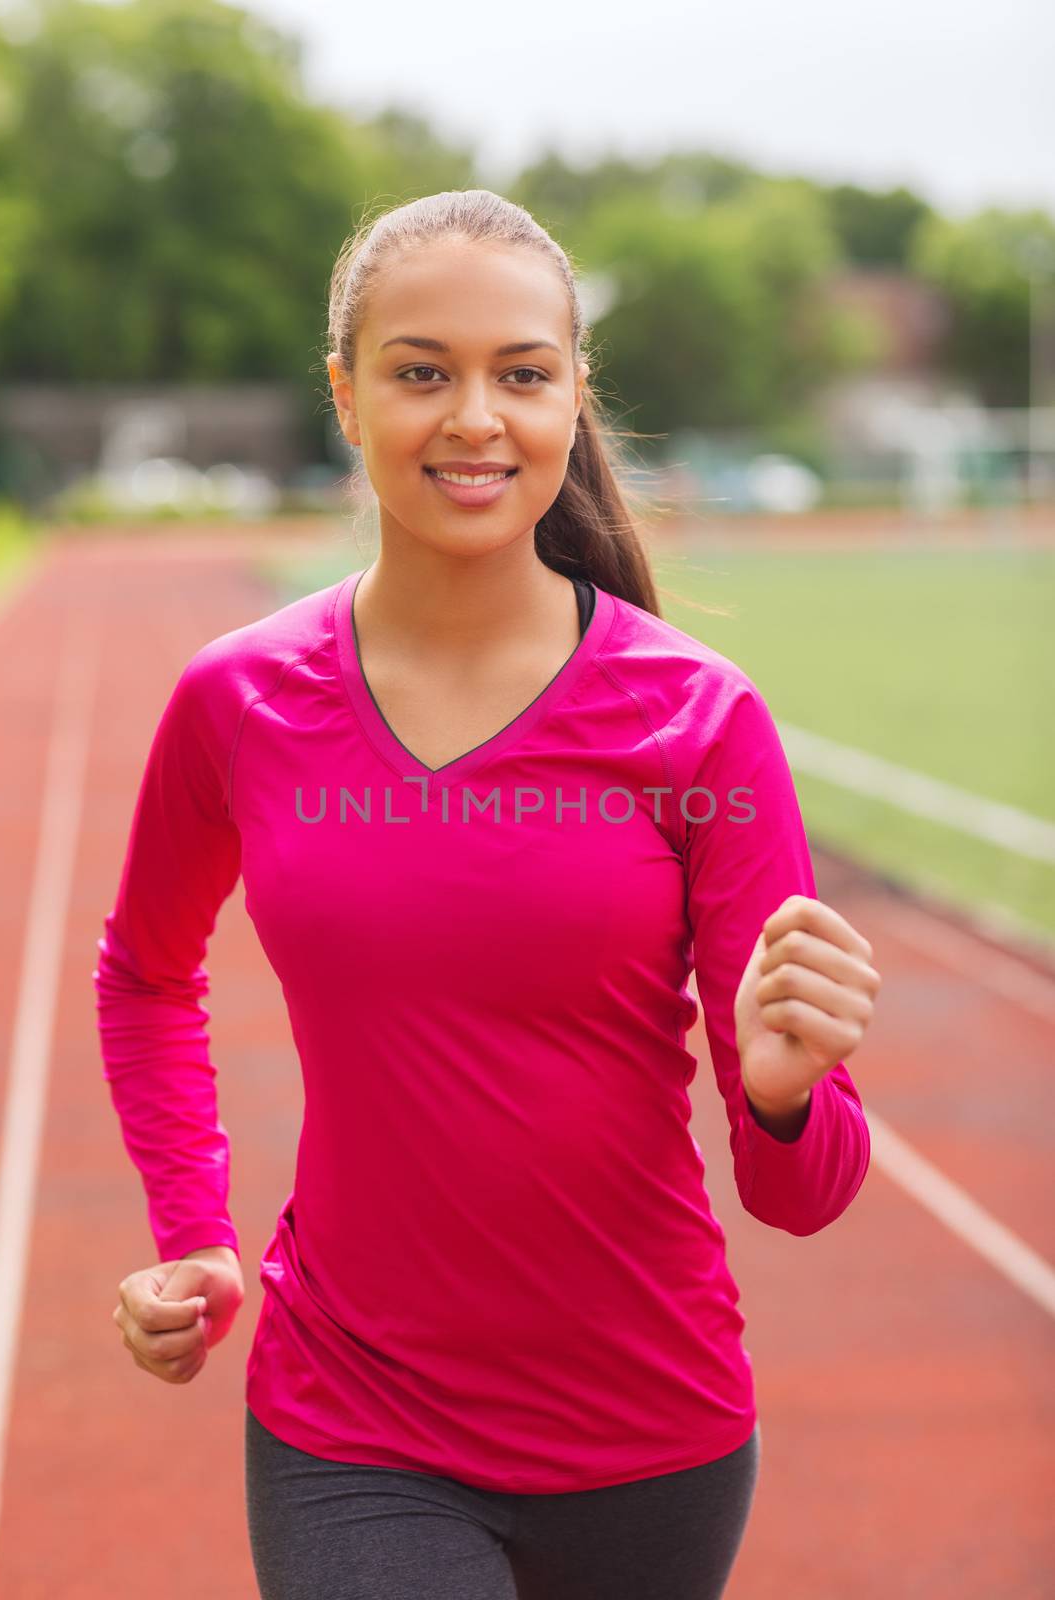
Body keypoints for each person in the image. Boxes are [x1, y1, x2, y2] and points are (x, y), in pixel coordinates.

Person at [96, 188, 881, 1600]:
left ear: (575, 397)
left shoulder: (700, 725)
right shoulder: (238, 702)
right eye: (420, 371)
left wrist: (781, 1095)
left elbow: (805, 1194)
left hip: (654, 1438)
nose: (475, 417)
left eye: (522, 373)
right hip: (352, 1423)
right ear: (345, 396)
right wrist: (191, 1232)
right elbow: (146, 971)